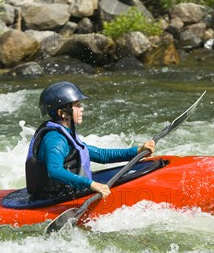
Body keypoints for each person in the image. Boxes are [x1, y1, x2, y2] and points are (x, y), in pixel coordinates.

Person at [26, 81, 155, 200]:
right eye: (77, 105)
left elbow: (101, 155)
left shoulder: (66, 133)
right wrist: (90, 184)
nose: (82, 108)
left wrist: (138, 151)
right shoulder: (55, 140)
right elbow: (54, 170)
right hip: (52, 199)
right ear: (63, 113)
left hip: (67, 192)